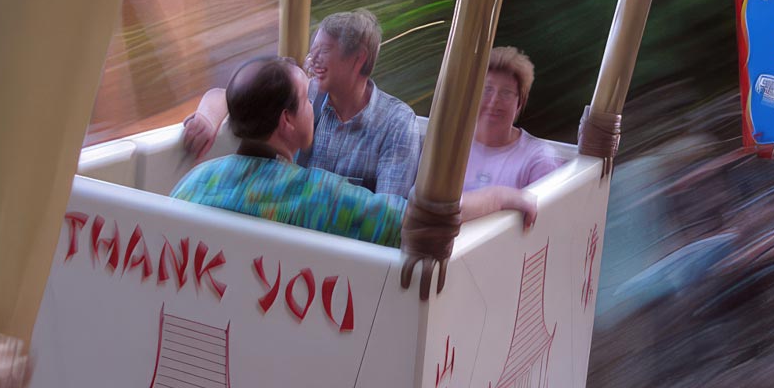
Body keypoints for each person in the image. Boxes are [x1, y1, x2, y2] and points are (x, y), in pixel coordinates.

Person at [172, 57, 536, 247]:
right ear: (286, 121)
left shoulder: (195, 182)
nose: (314, 106)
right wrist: (499, 197)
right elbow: (416, 221)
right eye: (305, 100)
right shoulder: (317, 196)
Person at [182, 10, 421, 198]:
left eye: (323, 51)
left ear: (358, 59)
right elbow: (240, 94)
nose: (311, 60)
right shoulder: (308, 92)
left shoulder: (397, 124)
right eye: (312, 51)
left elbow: (389, 217)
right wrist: (206, 117)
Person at [464, 46, 564, 191]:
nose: (494, 101)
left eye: (506, 93)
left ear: (519, 104)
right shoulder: (448, 146)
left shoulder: (539, 161)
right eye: (487, 90)